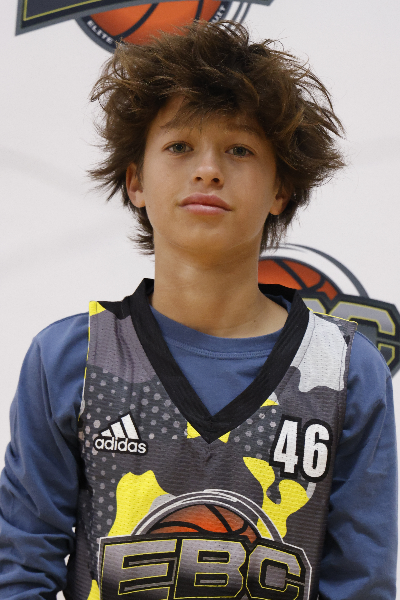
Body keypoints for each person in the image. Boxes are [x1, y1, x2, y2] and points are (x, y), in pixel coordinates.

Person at [0, 20, 396, 600]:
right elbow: (19, 571)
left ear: (280, 189)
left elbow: (361, 585)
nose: (208, 169)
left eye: (239, 149)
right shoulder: (70, 361)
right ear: (136, 181)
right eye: (180, 146)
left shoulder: (346, 372)